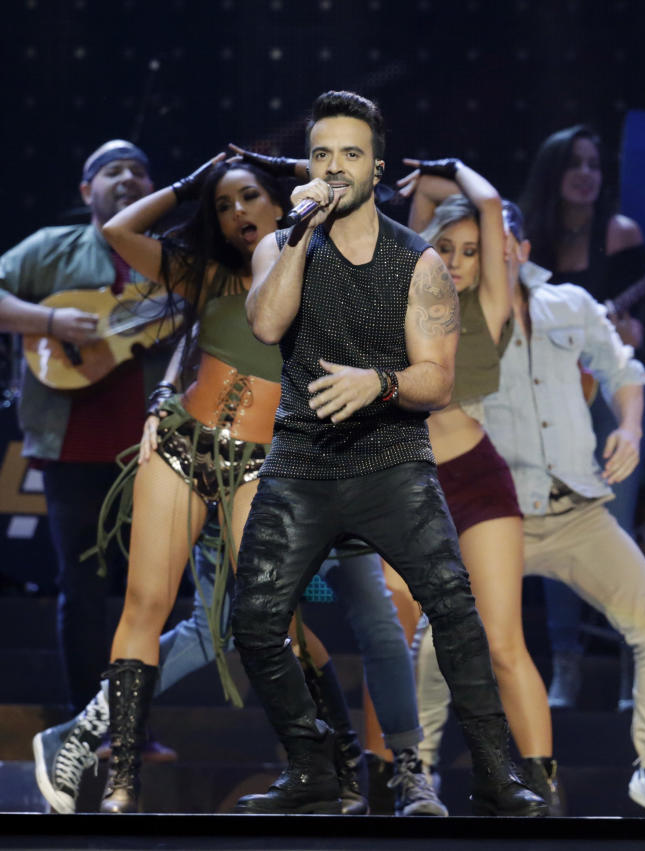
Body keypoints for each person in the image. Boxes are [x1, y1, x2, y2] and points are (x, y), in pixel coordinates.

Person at [29, 151, 425, 815]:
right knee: (145, 605)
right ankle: (118, 778)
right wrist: (193, 180)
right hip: (184, 443)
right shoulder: (207, 275)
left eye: (249, 197)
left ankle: (338, 766)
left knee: (274, 622)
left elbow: (351, 192)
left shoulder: (326, 273)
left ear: (280, 201)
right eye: (222, 205)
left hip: (263, 468)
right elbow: (118, 233)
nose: (237, 212)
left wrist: (279, 166)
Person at [230, 90, 543, 817]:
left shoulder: (417, 261)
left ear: (375, 166)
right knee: (255, 618)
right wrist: (301, 232)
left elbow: (435, 380)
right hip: (302, 462)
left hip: (390, 459)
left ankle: (496, 775)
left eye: (349, 155)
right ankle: (312, 767)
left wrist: (377, 382)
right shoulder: (281, 245)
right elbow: (269, 323)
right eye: (320, 155)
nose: (333, 168)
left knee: (456, 609)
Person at [474, 200, 645, 817]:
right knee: (442, 643)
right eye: (481, 248)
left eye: (503, 244)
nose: (497, 257)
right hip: (496, 517)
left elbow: (624, 370)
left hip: (575, 511)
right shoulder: (451, 318)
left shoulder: (567, 304)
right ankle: (419, 773)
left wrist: (627, 428)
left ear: (522, 248)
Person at [371, 157, 558, 812]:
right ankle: (405, 779)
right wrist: (427, 186)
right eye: (443, 249)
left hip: (477, 476)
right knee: (397, 638)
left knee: (504, 642)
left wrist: (454, 169)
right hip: (405, 481)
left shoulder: (488, 304)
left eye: (470, 251)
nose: (454, 259)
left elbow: (487, 205)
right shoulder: (408, 292)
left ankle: (540, 792)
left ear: (489, 260)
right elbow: (416, 219)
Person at [0, 141, 166, 713]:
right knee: (84, 589)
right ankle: (85, 727)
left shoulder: (169, 260)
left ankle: (133, 730)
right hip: (72, 450)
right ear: (85, 191)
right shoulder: (52, 247)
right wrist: (48, 319)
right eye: (111, 171)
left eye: (139, 171)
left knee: (148, 596)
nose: (127, 178)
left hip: (153, 450)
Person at [519, 125, 645, 709]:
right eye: (574, 162)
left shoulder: (620, 237)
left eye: (595, 164)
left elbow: (641, 339)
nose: (586, 174)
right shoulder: (528, 241)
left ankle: (631, 665)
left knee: (611, 535)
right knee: (551, 533)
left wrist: (625, 331)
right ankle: (566, 665)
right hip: (541, 403)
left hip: (607, 405)